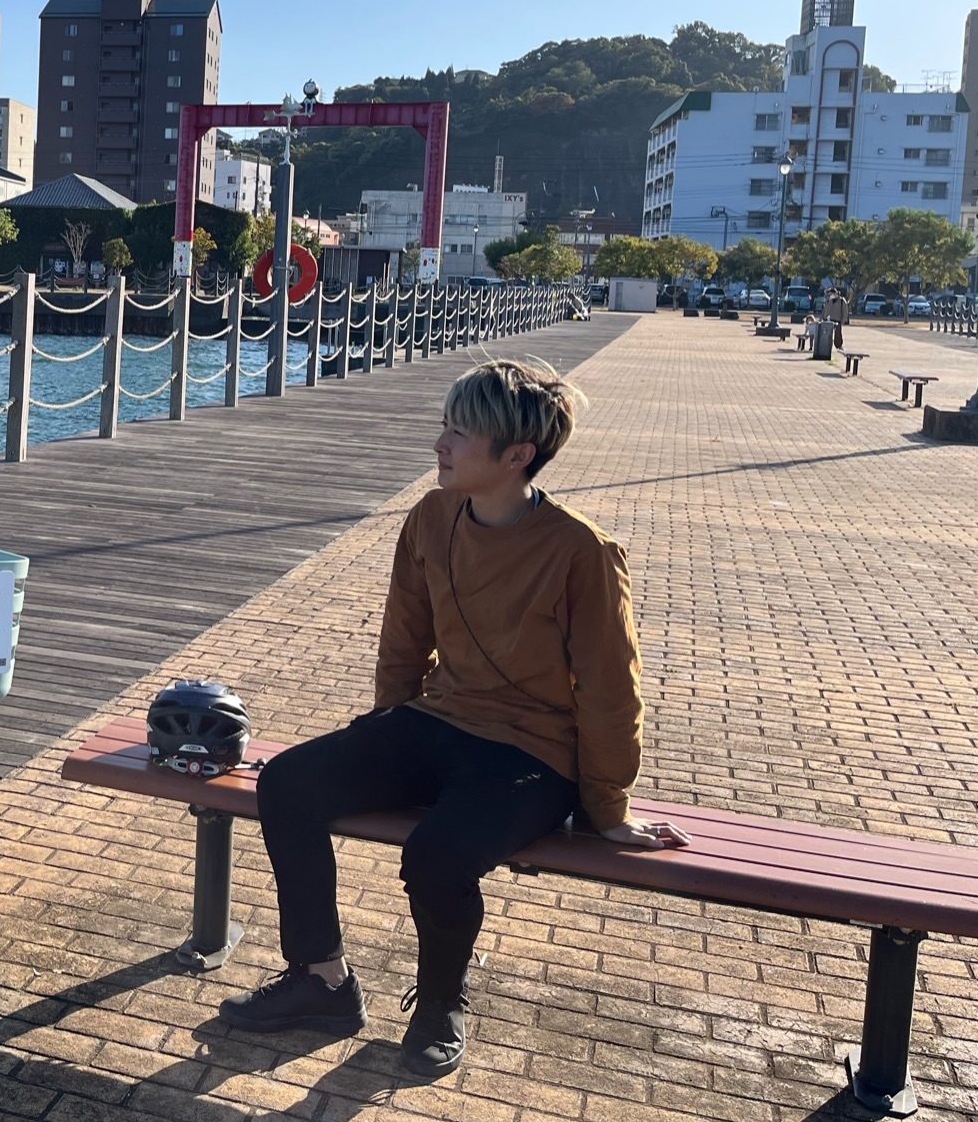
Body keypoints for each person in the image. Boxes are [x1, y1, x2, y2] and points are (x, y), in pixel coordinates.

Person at [219, 359, 689, 1079]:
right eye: (444, 425)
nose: (439, 443)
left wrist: (606, 806)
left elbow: (609, 689)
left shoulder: (581, 553)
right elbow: (403, 634)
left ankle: (441, 1004)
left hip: (532, 753)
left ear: (516, 457)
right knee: (287, 783)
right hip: (436, 718)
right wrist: (380, 728)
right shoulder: (431, 516)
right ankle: (322, 981)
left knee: (437, 853)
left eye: (458, 433)